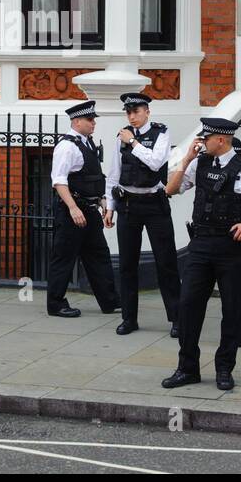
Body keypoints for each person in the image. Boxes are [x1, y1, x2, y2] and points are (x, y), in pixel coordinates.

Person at [160, 116, 241, 392]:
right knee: (188, 305)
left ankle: (223, 368)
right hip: (201, 245)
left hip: (231, 248)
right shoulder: (199, 164)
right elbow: (170, 190)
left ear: (221, 140)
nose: (201, 143)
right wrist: (185, 161)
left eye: (205, 139)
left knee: (231, 309)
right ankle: (187, 368)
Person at [104, 92, 179, 337]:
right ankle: (129, 318)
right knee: (127, 264)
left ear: (147, 111)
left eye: (136, 111)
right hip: (128, 204)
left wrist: (134, 143)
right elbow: (114, 173)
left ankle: (177, 318)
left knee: (166, 262)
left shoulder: (161, 133)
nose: (132, 116)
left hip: (154, 204)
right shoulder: (121, 137)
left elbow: (156, 163)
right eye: (129, 112)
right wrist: (110, 207)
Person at [45, 101, 121, 319]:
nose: (93, 123)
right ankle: (56, 304)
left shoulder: (86, 143)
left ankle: (110, 301)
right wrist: (72, 207)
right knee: (64, 258)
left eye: (93, 119)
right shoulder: (67, 146)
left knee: (99, 255)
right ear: (76, 122)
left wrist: (102, 202)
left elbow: (92, 179)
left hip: (89, 209)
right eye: (89, 119)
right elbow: (59, 181)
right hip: (73, 211)